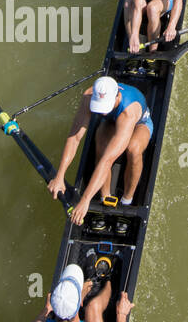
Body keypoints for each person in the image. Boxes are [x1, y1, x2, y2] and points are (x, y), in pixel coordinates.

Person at [48, 75, 153, 225]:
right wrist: (59, 176)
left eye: (105, 106)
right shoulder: (88, 96)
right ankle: (105, 198)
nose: (102, 112)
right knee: (101, 148)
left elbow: (108, 161)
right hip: (111, 122)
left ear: (117, 97)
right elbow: (74, 138)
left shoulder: (129, 111)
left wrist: (85, 199)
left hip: (139, 124)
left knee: (133, 150)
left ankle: (127, 200)